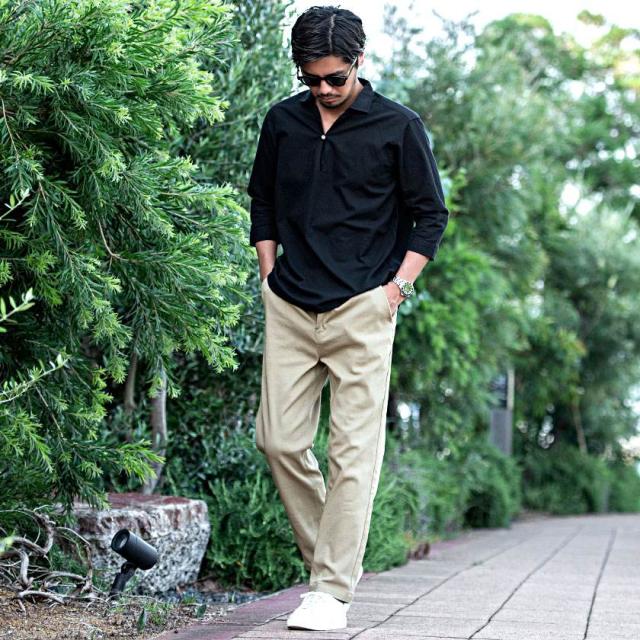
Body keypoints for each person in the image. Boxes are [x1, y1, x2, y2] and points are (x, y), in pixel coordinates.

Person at [247, 5, 449, 632]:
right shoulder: (283, 122)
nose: (324, 90)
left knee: (352, 455)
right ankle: (332, 567)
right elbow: (262, 201)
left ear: (359, 63)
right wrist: (267, 275)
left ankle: (331, 593)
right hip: (290, 303)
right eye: (311, 79)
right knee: (278, 441)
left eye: (335, 77)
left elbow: (430, 215)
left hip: (363, 308)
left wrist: (396, 290)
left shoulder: (398, 127)